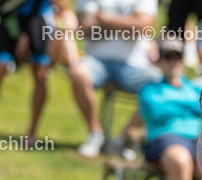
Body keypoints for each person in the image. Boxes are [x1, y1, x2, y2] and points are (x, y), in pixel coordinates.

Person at [68, 0, 160, 157]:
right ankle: (95, 134)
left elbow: (142, 27)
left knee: (160, 83)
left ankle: (122, 139)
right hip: (96, 61)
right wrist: (127, 24)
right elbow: (85, 28)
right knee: (78, 72)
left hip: (134, 65)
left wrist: (105, 19)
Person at [138, 39, 202, 180]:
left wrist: (174, 104)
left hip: (197, 140)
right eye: (168, 57)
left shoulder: (195, 89)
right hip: (163, 140)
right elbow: (156, 111)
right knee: (179, 159)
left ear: (183, 60)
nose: (173, 61)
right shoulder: (149, 90)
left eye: (177, 57)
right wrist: (189, 107)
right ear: (160, 61)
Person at [0, 0, 50, 144]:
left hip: (37, 17)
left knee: (40, 73)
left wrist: (26, 33)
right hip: (7, 16)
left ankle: (32, 133)